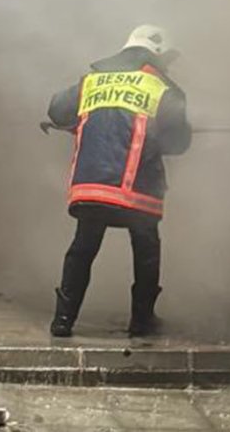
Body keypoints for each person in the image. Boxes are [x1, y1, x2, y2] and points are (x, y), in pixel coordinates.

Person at [45, 25, 191, 338]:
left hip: (91, 184)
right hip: (136, 189)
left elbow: (57, 110)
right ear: (159, 53)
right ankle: (141, 322)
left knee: (83, 246)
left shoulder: (92, 80)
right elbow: (178, 143)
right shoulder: (163, 87)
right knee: (146, 248)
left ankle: (62, 322)